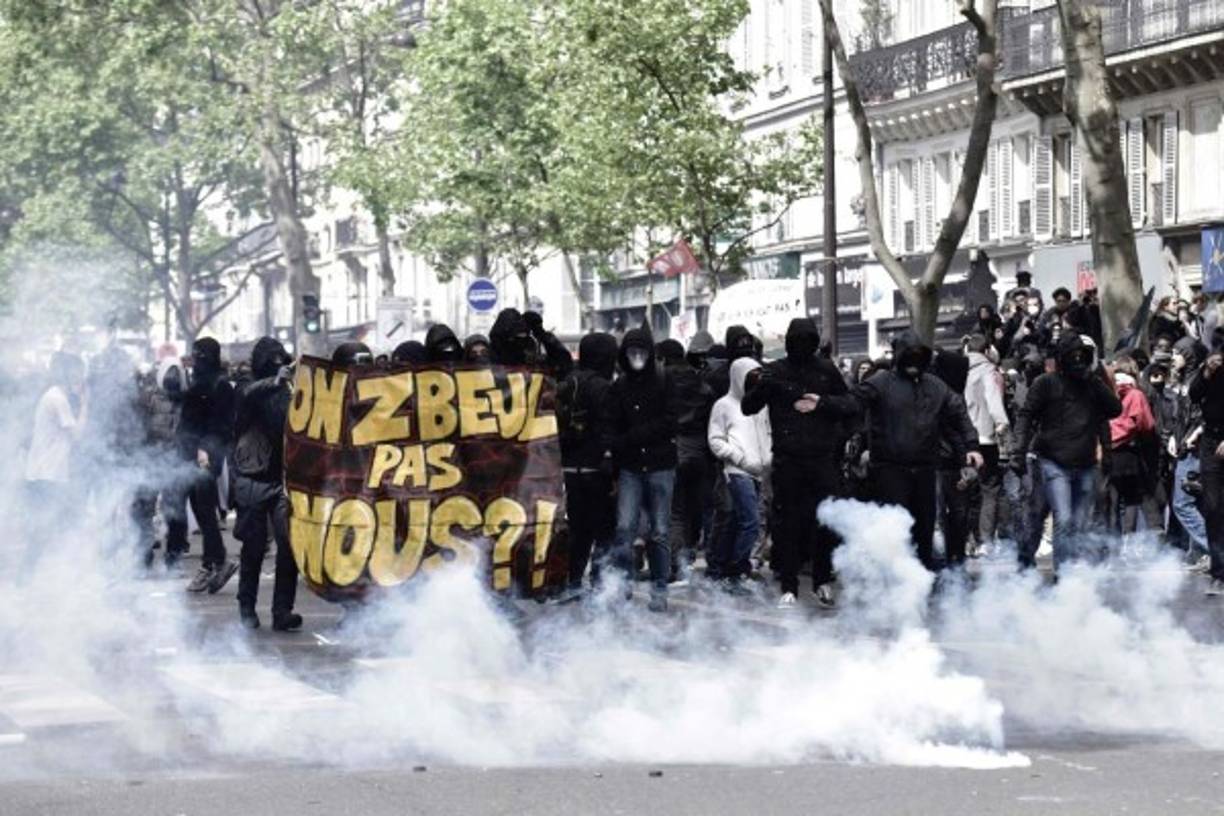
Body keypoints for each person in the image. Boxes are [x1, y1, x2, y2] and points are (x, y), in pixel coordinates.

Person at [742, 318, 858, 608]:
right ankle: (789, 584)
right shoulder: (776, 371)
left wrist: (822, 404)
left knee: (824, 521)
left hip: (821, 458)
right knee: (788, 523)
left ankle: (821, 580)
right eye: (799, 341)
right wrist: (764, 386)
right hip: (789, 459)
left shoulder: (826, 370)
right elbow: (748, 406)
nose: (803, 347)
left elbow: (850, 406)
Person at [854, 330, 982, 572]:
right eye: (909, 356)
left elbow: (958, 415)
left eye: (918, 357)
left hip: (925, 470)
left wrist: (972, 447)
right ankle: (893, 578)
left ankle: (920, 579)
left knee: (924, 528)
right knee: (894, 531)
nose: (914, 362)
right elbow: (853, 403)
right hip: (891, 469)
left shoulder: (935, 386)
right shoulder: (882, 382)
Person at [1011, 333, 1122, 572]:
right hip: (1052, 461)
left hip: (1085, 462)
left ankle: (1068, 570)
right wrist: (1018, 452)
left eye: (1082, 356)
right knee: (1059, 518)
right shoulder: (1045, 383)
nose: (1077, 361)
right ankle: (1053, 571)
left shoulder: (1092, 385)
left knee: (1078, 523)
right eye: (1073, 356)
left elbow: (1113, 411)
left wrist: (1094, 379)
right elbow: (1026, 416)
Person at [604, 328, 677, 612]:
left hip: (660, 465)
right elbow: (612, 425)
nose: (637, 357)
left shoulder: (664, 379)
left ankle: (659, 590)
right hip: (631, 467)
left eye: (641, 352)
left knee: (659, 530)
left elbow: (671, 421)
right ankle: (624, 585)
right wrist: (616, 450)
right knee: (624, 528)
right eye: (632, 352)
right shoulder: (619, 386)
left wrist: (631, 438)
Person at [231, 337, 301, 631]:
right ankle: (247, 607)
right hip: (254, 477)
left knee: (289, 547)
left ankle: (282, 610)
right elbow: (245, 396)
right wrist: (274, 382)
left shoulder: (288, 388)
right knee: (253, 547)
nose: (277, 364)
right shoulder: (248, 386)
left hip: (282, 477)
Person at [169, 338, 238, 594]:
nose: (196, 360)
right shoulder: (201, 382)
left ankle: (214, 563)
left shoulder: (220, 386)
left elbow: (221, 424)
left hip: (204, 456)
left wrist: (205, 449)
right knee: (200, 509)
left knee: (205, 510)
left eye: (199, 356)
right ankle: (215, 561)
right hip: (189, 453)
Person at [556, 333, 618, 598]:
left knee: (579, 528)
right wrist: (610, 462)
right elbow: (608, 428)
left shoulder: (568, 383)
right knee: (603, 528)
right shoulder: (604, 387)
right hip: (597, 468)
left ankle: (573, 581)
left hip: (570, 467)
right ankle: (599, 582)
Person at [708, 357, 771, 594]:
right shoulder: (723, 405)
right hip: (737, 471)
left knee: (737, 521)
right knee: (750, 522)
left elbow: (768, 432)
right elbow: (715, 439)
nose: (757, 380)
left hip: (759, 471)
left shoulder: (762, 404)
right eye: (752, 376)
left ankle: (723, 569)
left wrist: (768, 457)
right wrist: (739, 458)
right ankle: (736, 571)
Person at [23, 352, 87, 573]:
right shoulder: (57, 398)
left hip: (47, 471)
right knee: (47, 525)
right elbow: (77, 434)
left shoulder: (54, 396)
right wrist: (85, 404)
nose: (80, 379)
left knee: (49, 524)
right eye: (77, 373)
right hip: (47, 472)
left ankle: (35, 574)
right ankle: (28, 575)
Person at [656, 338, 714, 582]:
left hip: (673, 450)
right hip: (699, 452)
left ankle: (675, 564)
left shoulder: (660, 383)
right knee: (695, 508)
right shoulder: (702, 383)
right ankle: (688, 557)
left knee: (675, 511)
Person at [964, 334, 1010, 553]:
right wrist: (1002, 422)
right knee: (989, 489)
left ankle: (967, 540)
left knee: (967, 490)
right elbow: (993, 399)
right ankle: (985, 541)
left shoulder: (960, 370)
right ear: (987, 351)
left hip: (964, 438)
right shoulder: (988, 371)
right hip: (985, 438)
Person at [1105, 357, 1159, 536]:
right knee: (1132, 499)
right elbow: (1146, 424)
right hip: (1128, 452)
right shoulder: (1136, 394)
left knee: (1112, 500)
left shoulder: (1106, 389)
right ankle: (1132, 539)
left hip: (1107, 450)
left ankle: (1112, 543)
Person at [1187, 344, 1224, 595]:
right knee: (1212, 508)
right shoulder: (1211, 366)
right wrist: (1206, 372)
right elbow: (1194, 394)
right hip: (1211, 440)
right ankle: (1219, 572)